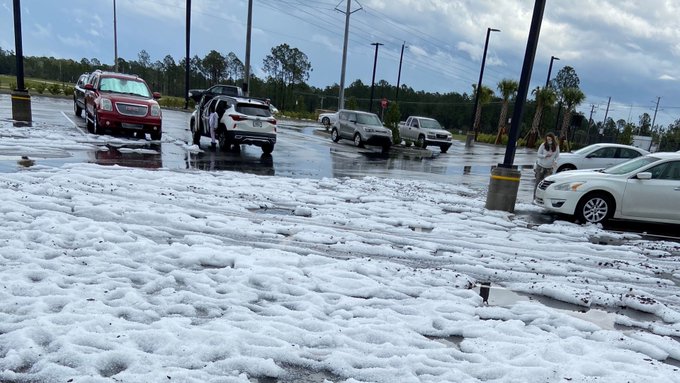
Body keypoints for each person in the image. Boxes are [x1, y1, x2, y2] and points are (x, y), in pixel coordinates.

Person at [534, 132, 559, 197]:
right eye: (547, 139)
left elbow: (557, 156)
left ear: (553, 139)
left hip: (549, 168)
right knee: (537, 183)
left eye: (550, 139)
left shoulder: (556, 146)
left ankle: (542, 198)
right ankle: (534, 198)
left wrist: (555, 161)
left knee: (546, 184)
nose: (549, 141)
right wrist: (545, 156)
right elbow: (538, 154)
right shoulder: (543, 145)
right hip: (541, 166)